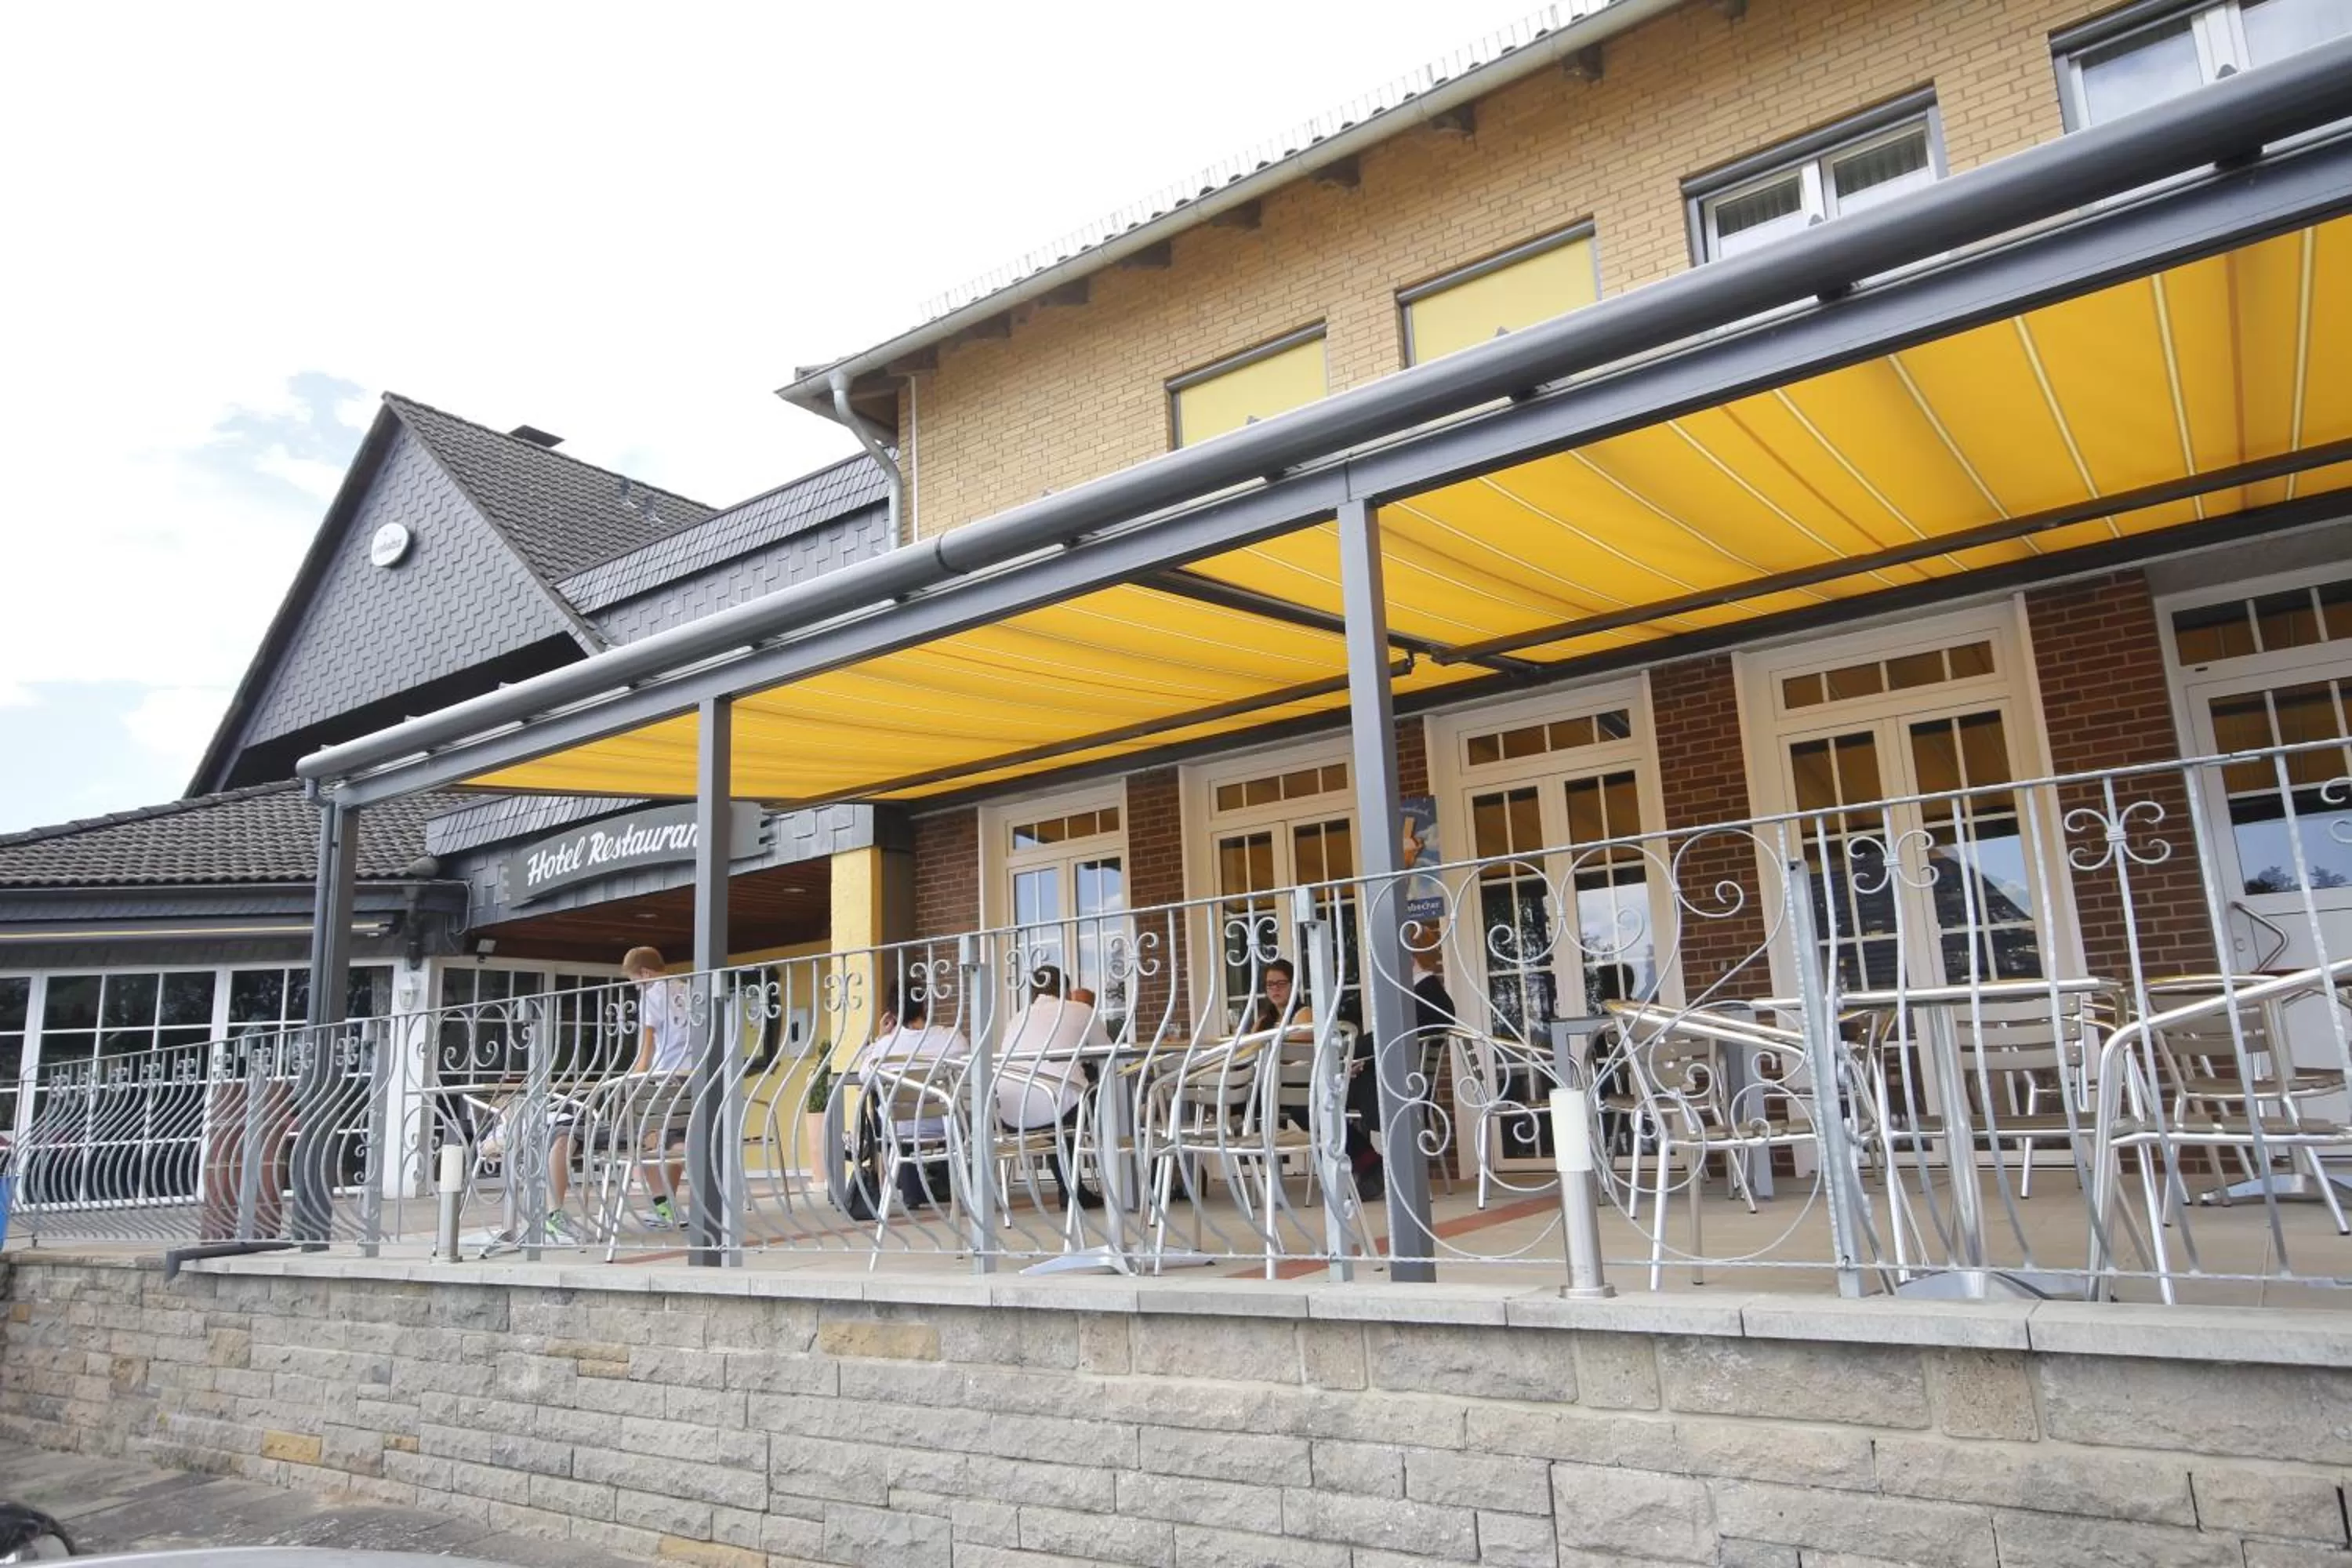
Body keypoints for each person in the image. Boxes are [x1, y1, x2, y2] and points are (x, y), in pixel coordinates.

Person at [1250, 959, 1385, 1202]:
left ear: (1294, 986)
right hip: (1271, 1087)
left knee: (1305, 1111)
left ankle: (1364, 1162)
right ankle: (1366, 1161)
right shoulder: (1263, 1020)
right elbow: (1250, 1052)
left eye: (1281, 983)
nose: (1275, 989)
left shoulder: (1304, 1014)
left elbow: (1291, 1052)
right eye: (1270, 984)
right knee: (1258, 1101)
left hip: (1302, 1086)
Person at [994, 966, 1105, 1211]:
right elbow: (1109, 1052)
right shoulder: (1080, 1009)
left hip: (1011, 1113)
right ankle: (1121, 1181)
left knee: (1062, 1106)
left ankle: (1071, 1190)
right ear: (1066, 991)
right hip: (1057, 1106)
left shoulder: (1017, 1018)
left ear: (1033, 993)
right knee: (1096, 1094)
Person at [852, 993, 971, 1211]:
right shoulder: (950, 1037)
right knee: (967, 1116)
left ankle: (911, 1194)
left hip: (900, 1128)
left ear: (894, 1014)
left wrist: (880, 1037)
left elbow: (864, 1075)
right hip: (944, 1123)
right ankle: (966, 1190)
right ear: (925, 1005)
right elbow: (967, 1059)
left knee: (886, 1111)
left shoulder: (886, 1046)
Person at [622, 946, 695, 1228]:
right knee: (676, 1140)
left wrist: (632, 1082)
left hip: (666, 1078)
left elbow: (647, 1051)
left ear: (644, 973)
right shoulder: (687, 990)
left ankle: (664, 1206)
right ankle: (673, 1205)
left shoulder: (652, 995)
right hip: (694, 1076)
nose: (636, 987)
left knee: (646, 1140)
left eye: (634, 981)